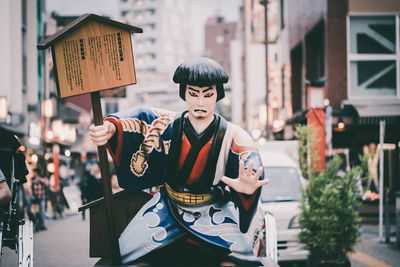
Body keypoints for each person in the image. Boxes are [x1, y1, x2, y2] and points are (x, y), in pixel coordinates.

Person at [89, 57, 270, 265]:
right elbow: (140, 117)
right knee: (126, 255)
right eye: (193, 94)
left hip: (213, 209)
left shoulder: (233, 135)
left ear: (217, 95)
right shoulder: (166, 123)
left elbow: (250, 159)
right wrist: (111, 128)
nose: (200, 102)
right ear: (184, 93)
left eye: (207, 94)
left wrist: (247, 188)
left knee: (241, 258)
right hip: (168, 207)